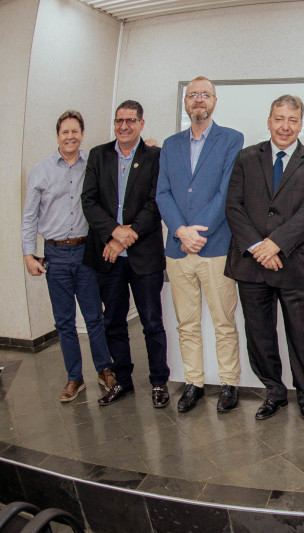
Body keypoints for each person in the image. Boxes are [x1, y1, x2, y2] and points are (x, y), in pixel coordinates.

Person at [225, 95, 304, 422]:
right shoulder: (244, 158)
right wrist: (260, 246)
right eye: (279, 118)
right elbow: (234, 207)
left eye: (293, 120)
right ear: (269, 121)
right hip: (251, 264)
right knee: (260, 334)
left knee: (302, 335)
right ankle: (274, 391)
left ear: (301, 124)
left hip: (293, 264)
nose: (285, 126)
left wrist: (276, 244)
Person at [156, 76, 245, 414]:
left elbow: (226, 192)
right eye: (192, 95)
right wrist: (181, 231)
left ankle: (229, 383)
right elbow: (162, 192)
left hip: (215, 247)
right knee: (187, 323)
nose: (198, 100)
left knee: (224, 321)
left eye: (204, 95)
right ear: (185, 102)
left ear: (214, 101)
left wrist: (198, 232)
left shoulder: (231, 139)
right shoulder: (170, 144)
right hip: (178, 250)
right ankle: (193, 383)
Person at [21, 110, 116, 402]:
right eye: (65, 132)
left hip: (86, 251)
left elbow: (122, 154)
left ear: (82, 134)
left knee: (93, 317)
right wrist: (28, 254)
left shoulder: (94, 164)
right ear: (58, 135)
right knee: (64, 321)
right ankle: (75, 378)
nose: (70, 137)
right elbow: (29, 218)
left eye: (75, 131)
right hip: (55, 254)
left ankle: (104, 370)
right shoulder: (41, 170)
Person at [82, 100, 170, 408]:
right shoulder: (98, 155)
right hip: (108, 258)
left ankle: (159, 381)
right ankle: (123, 381)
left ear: (141, 124)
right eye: (119, 120)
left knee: (152, 323)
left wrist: (125, 237)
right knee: (114, 323)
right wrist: (113, 233)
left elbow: (157, 202)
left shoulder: (156, 157)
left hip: (143, 256)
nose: (124, 126)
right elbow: (89, 202)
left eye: (130, 120)